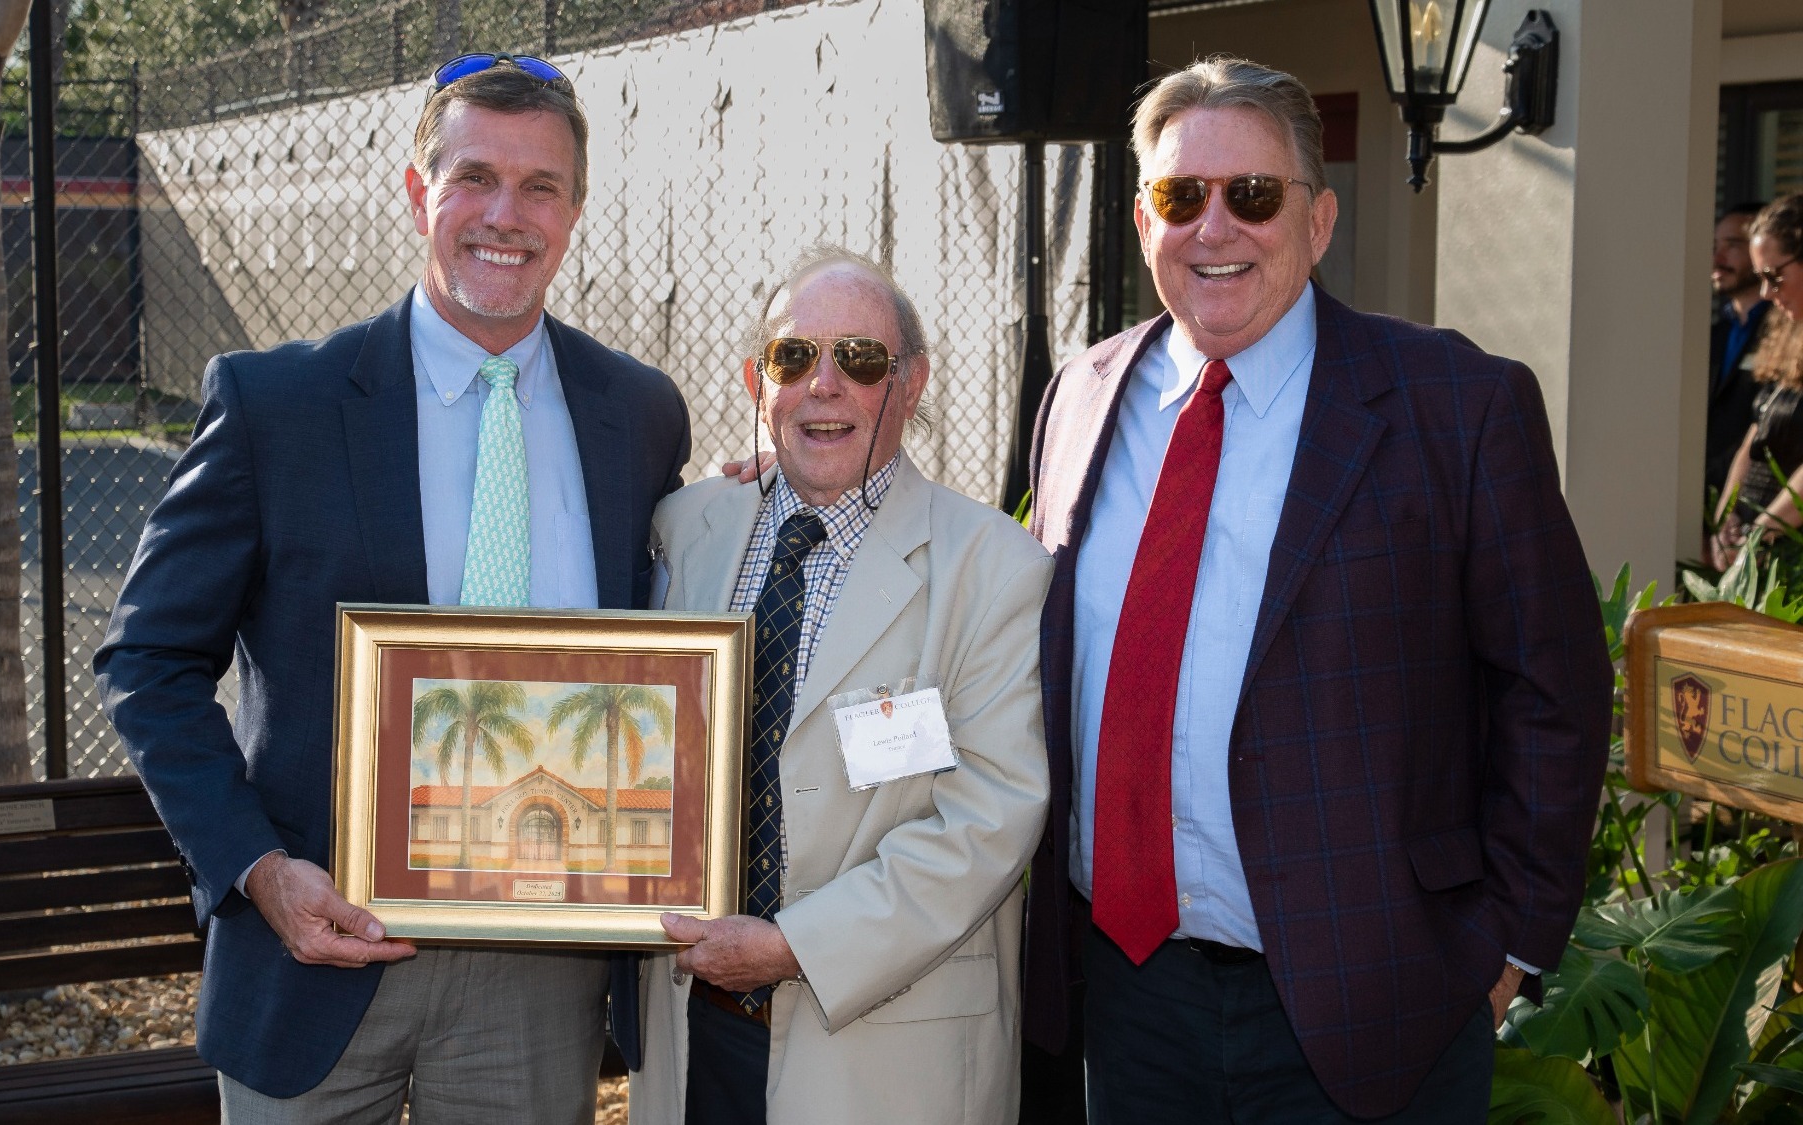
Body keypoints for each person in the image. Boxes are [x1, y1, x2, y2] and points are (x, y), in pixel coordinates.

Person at [94, 54, 691, 1124]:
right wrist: (259, 870)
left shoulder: (637, 413)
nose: (503, 215)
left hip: (541, 974)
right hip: (315, 942)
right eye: (472, 177)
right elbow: (146, 660)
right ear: (417, 193)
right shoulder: (278, 402)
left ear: (574, 211)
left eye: (539, 186)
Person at [1022, 57, 1612, 1122]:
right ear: (1143, 217)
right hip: (1127, 991)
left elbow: (1553, 690)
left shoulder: (1455, 407)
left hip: (1377, 999)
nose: (1214, 229)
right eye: (1178, 197)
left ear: (1319, 219)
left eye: (1250, 195)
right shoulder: (1080, 394)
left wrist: (1511, 944)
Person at [627, 248, 1052, 1125]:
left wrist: (792, 947)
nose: (823, 385)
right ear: (757, 379)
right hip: (692, 1028)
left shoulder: (996, 568)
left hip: (887, 1051)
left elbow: (988, 819)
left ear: (913, 381)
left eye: (858, 360)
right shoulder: (684, 530)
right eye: (793, 357)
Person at [1714, 194, 1803, 569]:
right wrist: (1726, 515)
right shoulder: (1788, 333)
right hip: (1764, 551)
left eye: (1773, 276)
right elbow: (1757, 431)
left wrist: (1763, 530)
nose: (1766, 292)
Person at [1710, 201, 1773, 497]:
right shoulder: (1712, 335)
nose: (1717, 258)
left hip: (1757, 496)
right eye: (1714, 245)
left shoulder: (1784, 332)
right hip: (1704, 500)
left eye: (1732, 245)